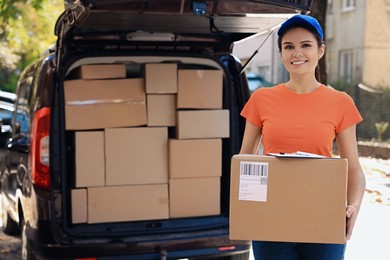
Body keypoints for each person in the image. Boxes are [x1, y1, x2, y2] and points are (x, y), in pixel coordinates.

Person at [239, 14, 366, 260]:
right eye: (289, 47)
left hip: (324, 217)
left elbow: (354, 169)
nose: (297, 53)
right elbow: (246, 159)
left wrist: (354, 206)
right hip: (270, 220)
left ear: (321, 51)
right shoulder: (261, 99)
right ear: (281, 54)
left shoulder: (340, 102)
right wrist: (246, 210)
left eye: (305, 45)